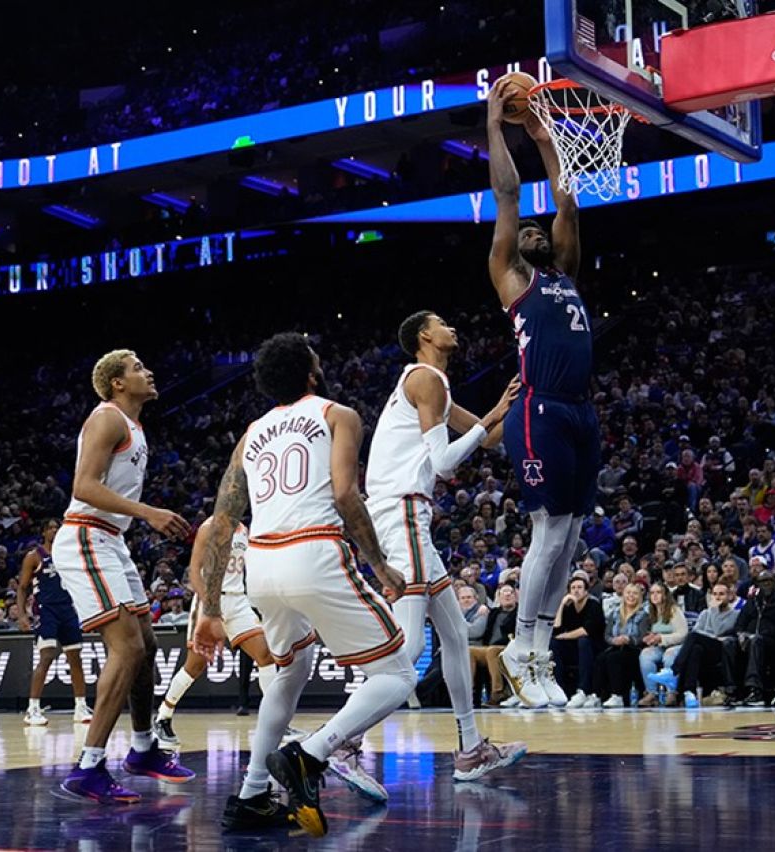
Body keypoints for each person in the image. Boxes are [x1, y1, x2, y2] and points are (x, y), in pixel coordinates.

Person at [192, 334, 464, 838]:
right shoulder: (339, 414)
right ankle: (312, 752)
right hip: (313, 550)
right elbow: (343, 492)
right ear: (312, 372)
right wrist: (380, 564)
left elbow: (224, 519)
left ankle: (252, 795)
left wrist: (211, 606)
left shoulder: (252, 432)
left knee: (290, 671)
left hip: (262, 565)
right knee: (398, 673)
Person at [364, 311, 526, 772]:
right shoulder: (425, 378)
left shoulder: (435, 387)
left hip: (407, 516)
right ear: (423, 336)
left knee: (454, 634)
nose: (453, 327)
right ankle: (340, 742)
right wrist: (494, 412)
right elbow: (446, 463)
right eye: (442, 323)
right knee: (410, 646)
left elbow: (490, 440)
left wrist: (519, 404)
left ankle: (470, 751)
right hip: (401, 512)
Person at [487, 77, 601, 709]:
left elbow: (568, 204)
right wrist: (497, 124)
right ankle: (524, 648)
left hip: (581, 413)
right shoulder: (511, 275)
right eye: (524, 230)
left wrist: (543, 135)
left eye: (538, 229)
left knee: (572, 532)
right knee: (549, 532)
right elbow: (508, 195)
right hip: (538, 410)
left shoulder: (566, 271)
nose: (532, 228)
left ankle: (537, 648)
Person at [52, 349, 194, 803]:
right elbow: (83, 486)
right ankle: (88, 767)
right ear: (116, 382)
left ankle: (143, 749)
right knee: (127, 647)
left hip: (111, 539)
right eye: (137, 368)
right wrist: (147, 511)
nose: (148, 371)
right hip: (86, 536)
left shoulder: (134, 426)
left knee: (147, 647)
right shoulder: (107, 418)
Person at [153, 517, 275, 748]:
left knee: (265, 655)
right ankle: (163, 716)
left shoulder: (243, 530)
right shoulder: (208, 527)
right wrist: (211, 608)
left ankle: (275, 720)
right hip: (210, 603)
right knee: (194, 666)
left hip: (238, 601)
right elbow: (194, 573)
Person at [17, 519, 93, 726]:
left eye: (57, 527)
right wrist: (22, 615)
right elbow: (23, 587)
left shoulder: (69, 555)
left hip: (68, 609)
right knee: (47, 655)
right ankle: (32, 708)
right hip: (46, 610)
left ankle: (80, 706)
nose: (54, 530)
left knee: (75, 657)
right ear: (43, 531)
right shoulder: (34, 556)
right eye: (50, 527)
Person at [729, 569, 775, 706]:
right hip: (750, 640)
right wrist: (741, 634)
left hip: (773, 643)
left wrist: (756, 636)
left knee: (757, 641)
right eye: (763, 582)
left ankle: (755, 690)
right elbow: (739, 624)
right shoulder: (753, 602)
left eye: (769, 581)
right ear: (758, 584)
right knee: (729, 643)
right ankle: (732, 690)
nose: (766, 584)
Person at [552, 575, 606, 707]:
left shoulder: (594, 604)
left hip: (594, 646)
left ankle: (583, 690)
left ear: (586, 590)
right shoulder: (569, 608)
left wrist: (565, 636)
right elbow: (556, 630)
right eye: (573, 588)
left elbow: (586, 630)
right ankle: (558, 690)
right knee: (553, 644)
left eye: (579, 587)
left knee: (583, 641)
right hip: (575, 647)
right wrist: (562, 604)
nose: (576, 591)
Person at [593, 582, 648, 708]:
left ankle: (617, 695)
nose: (631, 596)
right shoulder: (615, 613)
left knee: (614, 658)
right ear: (623, 595)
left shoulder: (643, 615)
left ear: (639, 597)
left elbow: (642, 637)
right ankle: (596, 696)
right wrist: (613, 641)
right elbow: (607, 635)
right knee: (600, 658)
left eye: (635, 593)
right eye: (628, 593)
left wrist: (629, 639)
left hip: (634, 650)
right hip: (616, 647)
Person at [637, 582, 688, 706]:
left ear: (665, 595)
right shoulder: (651, 612)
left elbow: (683, 634)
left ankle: (672, 693)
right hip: (659, 646)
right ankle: (651, 693)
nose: (655, 596)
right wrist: (650, 638)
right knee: (645, 654)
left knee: (669, 655)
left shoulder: (674, 610)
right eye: (652, 593)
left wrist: (661, 638)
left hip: (677, 645)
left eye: (658, 592)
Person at [471, 584, 518, 706]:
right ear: (499, 597)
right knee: (469, 651)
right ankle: (470, 693)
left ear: (515, 596)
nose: (507, 595)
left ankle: (498, 692)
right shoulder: (493, 613)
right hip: (490, 648)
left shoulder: (519, 614)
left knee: (492, 651)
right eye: (504, 593)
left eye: (510, 593)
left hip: (510, 647)